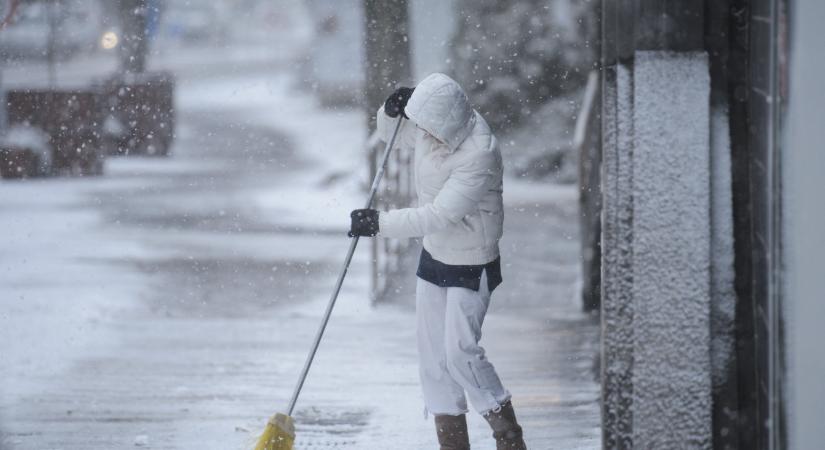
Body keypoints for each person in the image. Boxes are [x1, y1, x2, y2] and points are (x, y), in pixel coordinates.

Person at [349, 73, 526, 450]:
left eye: (426, 123)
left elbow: (438, 215)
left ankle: (508, 436)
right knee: (433, 361)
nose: (422, 131)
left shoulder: (479, 152)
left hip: (471, 262)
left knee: (460, 353)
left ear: (445, 120)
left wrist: (379, 223)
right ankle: (452, 445)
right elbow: (391, 136)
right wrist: (390, 110)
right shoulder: (435, 130)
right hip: (435, 256)